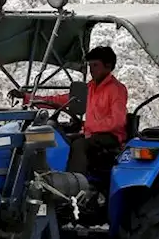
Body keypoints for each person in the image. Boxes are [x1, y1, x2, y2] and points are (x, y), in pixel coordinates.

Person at [9, 46, 128, 175]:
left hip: (110, 137)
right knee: (54, 138)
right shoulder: (90, 87)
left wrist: (90, 127)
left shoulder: (117, 89)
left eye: (95, 65)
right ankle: (41, 176)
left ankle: (75, 183)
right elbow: (63, 99)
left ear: (108, 66)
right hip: (91, 134)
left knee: (79, 145)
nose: (91, 70)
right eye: (90, 66)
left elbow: (117, 121)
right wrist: (29, 97)